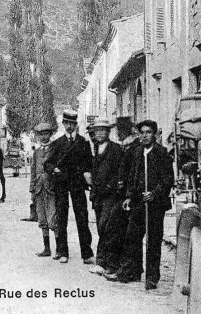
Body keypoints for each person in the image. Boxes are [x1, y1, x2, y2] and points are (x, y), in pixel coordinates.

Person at [116, 120, 174, 289]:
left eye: (148, 132)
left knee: (153, 241)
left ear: (154, 134)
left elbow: (167, 179)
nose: (145, 135)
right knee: (132, 237)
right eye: (142, 132)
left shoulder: (162, 153)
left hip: (156, 204)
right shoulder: (137, 152)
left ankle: (152, 277)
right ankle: (132, 271)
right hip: (138, 202)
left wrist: (154, 193)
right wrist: (128, 196)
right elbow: (132, 177)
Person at [43, 109, 94, 265]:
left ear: (75, 124)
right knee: (62, 217)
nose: (69, 126)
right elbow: (47, 164)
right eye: (67, 123)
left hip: (78, 183)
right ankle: (63, 252)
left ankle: (87, 254)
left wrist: (87, 173)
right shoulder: (57, 143)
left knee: (82, 217)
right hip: (62, 183)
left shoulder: (83, 142)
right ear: (63, 124)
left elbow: (89, 163)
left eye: (72, 123)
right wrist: (55, 169)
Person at [88, 119, 133, 281]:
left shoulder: (115, 149)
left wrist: (113, 186)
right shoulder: (94, 148)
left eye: (102, 130)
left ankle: (105, 262)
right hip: (97, 195)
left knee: (106, 226)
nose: (99, 133)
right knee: (101, 227)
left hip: (111, 194)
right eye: (97, 131)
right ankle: (104, 261)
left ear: (108, 132)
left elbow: (120, 172)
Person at [30, 122, 58, 258]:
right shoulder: (36, 152)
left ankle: (59, 248)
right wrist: (32, 191)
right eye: (40, 134)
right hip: (39, 189)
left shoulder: (55, 149)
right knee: (42, 219)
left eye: (45, 134)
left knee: (53, 218)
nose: (43, 137)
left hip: (51, 189)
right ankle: (47, 248)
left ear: (50, 134)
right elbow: (33, 172)